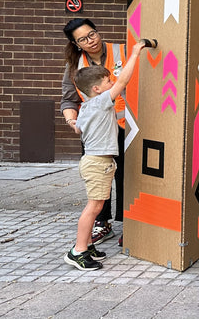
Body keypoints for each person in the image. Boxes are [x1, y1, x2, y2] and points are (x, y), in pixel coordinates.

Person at [64, 41, 146, 271]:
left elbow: (78, 128)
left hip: (95, 161)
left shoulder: (86, 107)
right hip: (98, 163)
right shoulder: (100, 102)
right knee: (94, 207)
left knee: (97, 206)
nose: (112, 84)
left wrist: (71, 120)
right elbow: (123, 81)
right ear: (97, 89)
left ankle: (87, 245)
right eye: (107, 82)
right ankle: (78, 250)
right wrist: (137, 51)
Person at [61, 18, 126, 246]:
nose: (91, 41)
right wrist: (73, 122)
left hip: (128, 127)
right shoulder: (75, 65)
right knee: (100, 178)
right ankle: (102, 223)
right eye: (83, 39)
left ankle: (130, 223)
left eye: (92, 34)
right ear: (76, 44)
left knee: (126, 175)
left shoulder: (121, 50)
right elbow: (68, 99)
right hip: (97, 131)